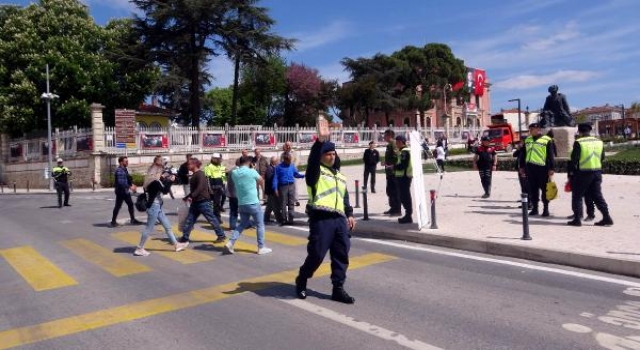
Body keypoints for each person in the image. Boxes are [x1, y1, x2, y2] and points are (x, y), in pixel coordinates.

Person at [295, 116, 356, 304]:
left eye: (333, 154)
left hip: (339, 220)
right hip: (321, 219)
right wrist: (319, 142)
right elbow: (313, 161)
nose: (332, 156)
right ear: (322, 156)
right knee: (317, 255)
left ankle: (338, 288)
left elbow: (344, 197)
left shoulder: (340, 176)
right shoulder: (315, 173)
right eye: (328, 154)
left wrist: (350, 214)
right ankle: (302, 278)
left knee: (341, 255)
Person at [134, 156, 188, 256]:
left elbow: (161, 184)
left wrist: (166, 178)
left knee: (167, 226)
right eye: (160, 171)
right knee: (148, 228)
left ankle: (176, 245)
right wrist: (171, 180)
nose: (162, 173)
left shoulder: (151, 180)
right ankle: (139, 248)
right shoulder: (154, 182)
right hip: (154, 207)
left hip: (157, 207)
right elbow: (165, 190)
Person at [567, 123, 614, 227]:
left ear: (579, 132)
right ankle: (607, 217)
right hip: (597, 172)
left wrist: (571, 173)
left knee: (577, 196)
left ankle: (577, 220)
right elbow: (602, 157)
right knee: (597, 196)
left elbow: (574, 159)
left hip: (583, 173)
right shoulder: (599, 142)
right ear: (590, 131)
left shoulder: (579, 142)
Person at [224, 157, 273, 255]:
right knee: (260, 224)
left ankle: (230, 242)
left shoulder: (234, 173)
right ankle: (261, 247)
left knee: (242, 224)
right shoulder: (252, 172)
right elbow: (261, 181)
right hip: (253, 202)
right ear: (250, 163)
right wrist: (254, 169)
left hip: (242, 203)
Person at [178, 158, 226, 243]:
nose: (187, 166)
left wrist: (191, 196)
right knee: (190, 220)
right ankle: (185, 237)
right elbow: (195, 189)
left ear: (195, 164)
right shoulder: (194, 175)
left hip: (203, 201)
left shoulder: (200, 174)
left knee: (212, 219)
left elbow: (200, 188)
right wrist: (187, 197)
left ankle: (221, 235)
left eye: (189, 164)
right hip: (196, 202)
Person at [518, 123, 555, 217]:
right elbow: (523, 154)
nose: (530, 131)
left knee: (544, 189)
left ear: (538, 129)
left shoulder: (547, 140)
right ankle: (535, 208)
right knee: (533, 189)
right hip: (530, 168)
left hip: (543, 168)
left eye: (532, 129)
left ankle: (545, 209)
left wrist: (552, 168)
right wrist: (521, 167)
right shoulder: (528, 140)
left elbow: (551, 155)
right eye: (529, 129)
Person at [273, 153, 305, 225]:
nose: (289, 162)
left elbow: (296, 174)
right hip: (282, 186)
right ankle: (284, 219)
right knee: (283, 203)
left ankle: (291, 219)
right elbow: (275, 178)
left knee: (291, 203)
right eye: (288, 160)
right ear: (284, 160)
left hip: (291, 186)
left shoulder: (292, 166)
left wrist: (303, 176)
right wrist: (275, 188)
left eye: (290, 160)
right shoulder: (278, 167)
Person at [110, 156, 142, 227]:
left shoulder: (124, 169)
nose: (127, 162)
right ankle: (113, 221)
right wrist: (130, 187)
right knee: (118, 206)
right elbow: (121, 182)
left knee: (129, 204)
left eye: (127, 161)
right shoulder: (119, 170)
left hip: (124, 191)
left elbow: (126, 180)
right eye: (126, 161)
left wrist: (132, 184)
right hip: (121, 191)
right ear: (121, 162)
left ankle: (132, 219)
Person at [382, 129, 401, 216]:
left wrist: (389, 165)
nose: (384, 137)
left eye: (385, 135)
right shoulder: (390, 145)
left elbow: (396, 158)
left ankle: (397, 209)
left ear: (389, 136)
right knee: (390, 190)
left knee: (394, 191)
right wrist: (386, 163)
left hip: (393, 172)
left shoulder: (393, 145)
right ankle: (393, 207)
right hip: (389, 172)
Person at [394, 134, 413, 224]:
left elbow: (402, 165)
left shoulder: (405, 152)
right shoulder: (402, 151)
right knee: (404, 196)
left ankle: (408, 215)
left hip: (404, 177)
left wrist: (393, 167)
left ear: (401, 142)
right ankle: (408, 214)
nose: (396, 144)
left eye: (397, 142)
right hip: (403, 176)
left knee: (404, 196)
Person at [204, 153, 226, 222]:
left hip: (220, 186)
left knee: (219, 201)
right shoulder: (208, 166)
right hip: (213, 187)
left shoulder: (220, 166)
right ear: (214, 159)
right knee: (214, 203)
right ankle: (216, 217)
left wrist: (224, 182)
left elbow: (223, 175)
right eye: (218, 159)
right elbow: (208, 179)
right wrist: (210, 189)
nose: (219, 160)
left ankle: (218, 213)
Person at [263, 156, 283, 224]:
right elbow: (269, 180)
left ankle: (266, 218)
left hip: (271, 191)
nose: (278, 162)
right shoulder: (269, 169)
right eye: (277, 161)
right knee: (276, 206)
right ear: (274, 162)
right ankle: (279, 219)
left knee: (270, 206)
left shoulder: (272, 168)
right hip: (271, 191)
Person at [281, 141, 300, 206]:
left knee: (295, 185)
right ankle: (287, 201)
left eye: (289, 145)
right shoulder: (283, 154)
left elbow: (297, 160)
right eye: (287, 145)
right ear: (285, 146)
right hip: (285, 172)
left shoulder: (294, 152)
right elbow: (281, 162)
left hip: (293, 172)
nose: (288, 146)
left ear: (291, 145)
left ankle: (296, 200)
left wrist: (292, 168)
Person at [226, 159, 240, 230]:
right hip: (238, 194)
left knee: (233, 210)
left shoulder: (231, 170)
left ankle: (232, 226)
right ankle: (247, 224)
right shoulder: (239, 171)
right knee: (243, 210)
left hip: (231, 194)